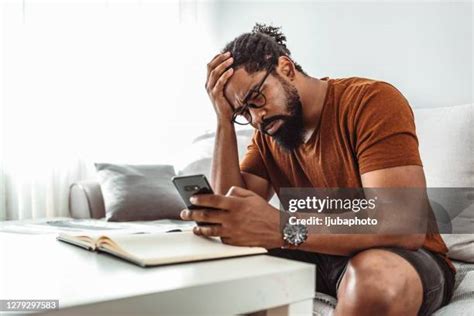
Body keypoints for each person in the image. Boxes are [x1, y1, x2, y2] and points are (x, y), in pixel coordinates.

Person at [180, 23, 455, 315]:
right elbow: (231, 216)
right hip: (317, 253)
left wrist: (284, 227)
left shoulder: (370, 101)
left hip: (404, 256)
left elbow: (402, 223)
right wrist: (223, 120)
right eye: (242, 113)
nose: (256, 118)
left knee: (374, 279)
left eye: (256, 99)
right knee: (218, 263)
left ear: (285, 68)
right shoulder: (268, 133)